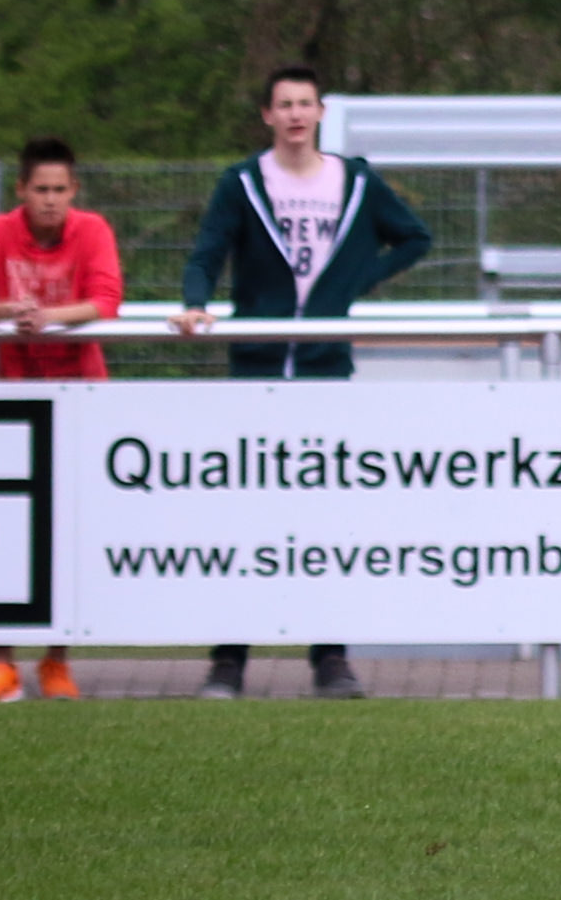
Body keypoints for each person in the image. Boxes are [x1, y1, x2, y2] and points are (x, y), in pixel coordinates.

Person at [175, 65, 431, 698]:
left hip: (324, 369)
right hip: (257, 370)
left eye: (304, 103)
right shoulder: (242, 182)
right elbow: (207, 252)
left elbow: (414, 238)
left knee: (326, 516)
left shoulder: (356, 182)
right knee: (245, 517)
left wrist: (353, 283)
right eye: (283, 104)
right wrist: (195, 303)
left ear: (320, 112)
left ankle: (330, 658)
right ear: (268, 114)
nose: (294, 114)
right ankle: (229, 660)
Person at [0, 136, 124, 701]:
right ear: (21, 190)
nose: (50, 199)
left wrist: (48, 317)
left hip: (80, 397)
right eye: (41, 189)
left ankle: (56, 661)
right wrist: (10, 312)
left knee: (67, 534)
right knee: (7, 529)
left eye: (60, 189)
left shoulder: (92, 230)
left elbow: (107, 300)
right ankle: (0, 662)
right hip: (16, 400)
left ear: (74, 191)